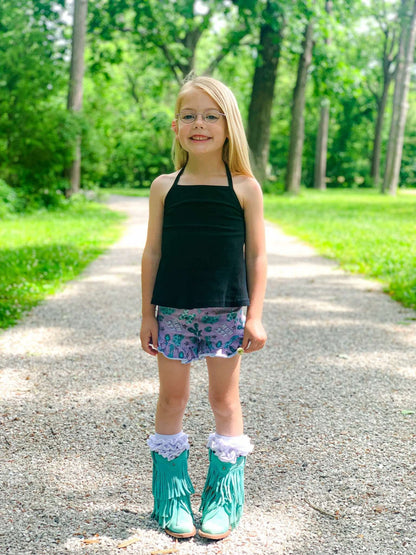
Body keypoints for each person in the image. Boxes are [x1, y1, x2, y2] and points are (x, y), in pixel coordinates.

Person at [140, 75, 267, 541]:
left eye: (211, 116)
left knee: (223, 400)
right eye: (190, 116)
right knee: (171, 400)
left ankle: (223, 499)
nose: (200, 124)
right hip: (173, 313)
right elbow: (152, 253)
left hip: (225, 314)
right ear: (176, 126)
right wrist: (147, 314)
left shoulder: (245, 188)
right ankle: (171, 497)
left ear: (228, 126)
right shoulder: (164, 187)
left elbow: (257, 256)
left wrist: (255, 315)